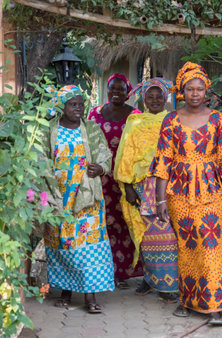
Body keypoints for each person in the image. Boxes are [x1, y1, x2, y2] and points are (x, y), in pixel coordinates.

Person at [149, 62, 222, 325]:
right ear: (182, 91)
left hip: (212, 191)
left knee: (211, 246)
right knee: (187, 247)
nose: (194, 94)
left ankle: (215, 305)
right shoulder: (170, 120)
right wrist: (160, 199)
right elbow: (163, 162)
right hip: (178, 194)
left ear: (207, 91)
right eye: (190, 89)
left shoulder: (218, 120)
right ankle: (187, 300)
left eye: (199, 89)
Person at [42, 85, 114, 313]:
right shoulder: (50, 130)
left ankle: (89, 297)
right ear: (62, 106)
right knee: (62, 243)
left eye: (81, 104)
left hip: (87, 198)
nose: (79, 109)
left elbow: (105, 154)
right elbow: (41, 158)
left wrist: (100, 168)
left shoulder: (91, 129)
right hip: (59, 197)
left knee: (88, 244)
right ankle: (65, 291)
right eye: (73, 104)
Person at [114, 77, 179, 303]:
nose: (154, 100)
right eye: (149, 97)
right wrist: (128, 187)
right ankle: (150, 279)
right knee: (146, 236)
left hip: (169, 187)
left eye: (158, 96)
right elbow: (125, 155)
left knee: (169, 237)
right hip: (142, 188)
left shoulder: (174, 121)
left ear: (166, 98)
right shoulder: (134, 122)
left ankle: (168, 285)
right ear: (143, 99)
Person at [88, 74, 143, 288]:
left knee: (125, 221)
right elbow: (88, 141)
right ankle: (104, 271)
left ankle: (124, 272)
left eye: (121, 89)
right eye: (113, 89)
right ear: (107, 90)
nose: (116, 93)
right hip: (101, 177)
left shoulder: (135, 116)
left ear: (128, 92)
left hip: (126, 178)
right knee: (103, 221)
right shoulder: (95, 113)